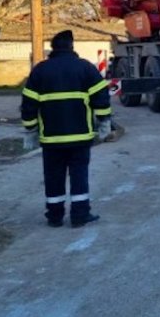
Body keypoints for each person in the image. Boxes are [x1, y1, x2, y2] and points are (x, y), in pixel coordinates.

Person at [20, 30, 112, 228]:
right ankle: (80, 215)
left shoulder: (40, 70)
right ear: (72, 46)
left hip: (51, 138)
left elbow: (28, 104)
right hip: (80, 136)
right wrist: (104, 121)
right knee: (79, 175)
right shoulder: (85, 68)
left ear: (52, 48)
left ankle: (54, 217)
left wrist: (30, 129)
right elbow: (101, 97)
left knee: (53, 176)